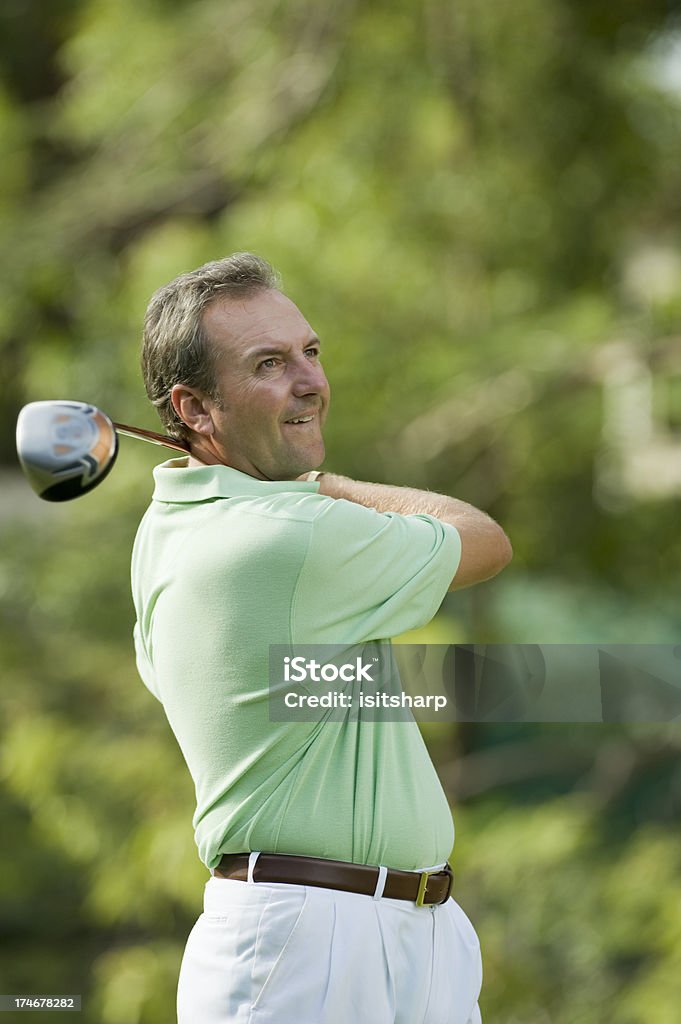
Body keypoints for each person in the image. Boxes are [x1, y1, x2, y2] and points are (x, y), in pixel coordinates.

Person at [131, 253, 512, 1024]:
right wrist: (332, 486)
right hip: (311, 942)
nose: (310, 382)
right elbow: (482, 539)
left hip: (402, 929)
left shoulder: (169, 529)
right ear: (195, 408)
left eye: (310, 352)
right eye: (269, 364)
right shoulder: (287, 532)